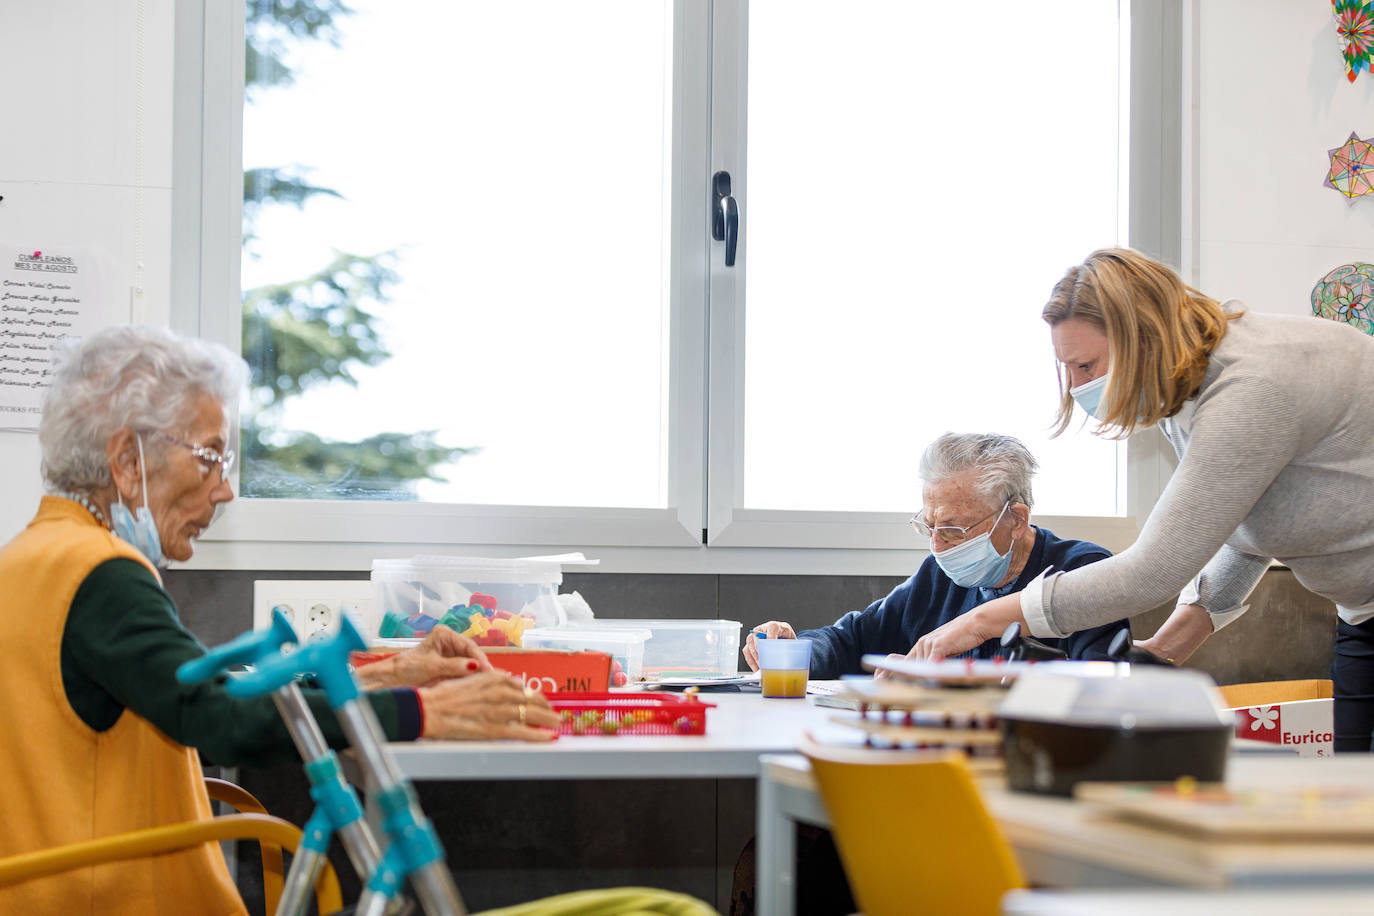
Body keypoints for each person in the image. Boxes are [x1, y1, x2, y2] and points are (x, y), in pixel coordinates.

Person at [0, 325, 559, 914]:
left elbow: (202, 691)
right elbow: (217, 715)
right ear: (126, 461)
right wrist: (425, 712)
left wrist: (382, 676)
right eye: (209, 457)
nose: (225, 491)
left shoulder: (29, 559)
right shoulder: (102, 574)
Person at [910, 247, 1374, 751]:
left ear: (1143, 338)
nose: (1078, 387)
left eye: (1086, 365)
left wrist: (981, 621)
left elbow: (1152, 572)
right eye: (1069, 369)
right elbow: (1245, 524)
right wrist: (1166, 648)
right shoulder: (1189, 391)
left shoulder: (1251, 388)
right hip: (1361, 614)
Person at [743, 432, 1127, 678]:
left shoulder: (1082, 574)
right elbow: (852, 640)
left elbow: (1100, 689)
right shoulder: (939, 577)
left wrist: (948, 690)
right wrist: (794, 651)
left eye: (953, 530)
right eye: (929, 527)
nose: (938, 547)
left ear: (1016, 519)